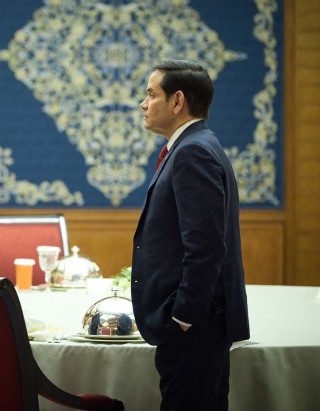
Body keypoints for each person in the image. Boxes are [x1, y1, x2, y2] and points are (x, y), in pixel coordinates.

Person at [131, 60, 250, 411]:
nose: (143, 103)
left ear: (177, 101)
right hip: (199, 326)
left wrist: (181, 318)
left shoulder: (193, 152)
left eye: (151, 94)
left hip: (194, 329)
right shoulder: (198, 145)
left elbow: (206, 247)